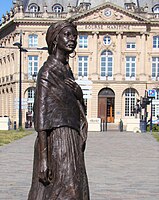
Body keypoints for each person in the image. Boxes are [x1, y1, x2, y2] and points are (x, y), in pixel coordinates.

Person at [28, 20, 90, 200]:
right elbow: (41, 118)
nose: (73, 39)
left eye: (75, 36)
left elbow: (76, 108)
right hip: (56, 140)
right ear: (55, 39)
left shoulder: (67, 71)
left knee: (79, 190)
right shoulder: (48, 72)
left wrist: (79, 94)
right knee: (69, 192)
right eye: (68, 35)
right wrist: (44, 159)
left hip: (71, 138)